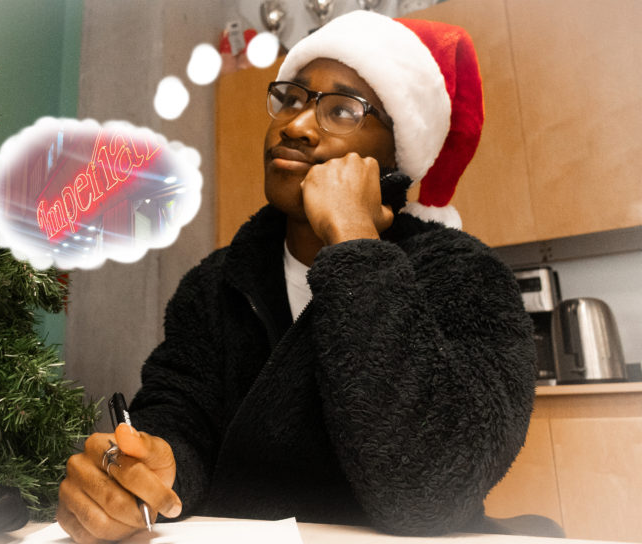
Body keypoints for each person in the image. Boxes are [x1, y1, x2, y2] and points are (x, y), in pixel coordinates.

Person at [57, 10, 537, 542]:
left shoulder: (466, 276)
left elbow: (428, 490)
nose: (296, 125)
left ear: (395, 156)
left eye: (341, 110)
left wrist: (354, 238)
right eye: (290, 98)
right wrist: (154, 466)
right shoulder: (214, 282)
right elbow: (181, 416)